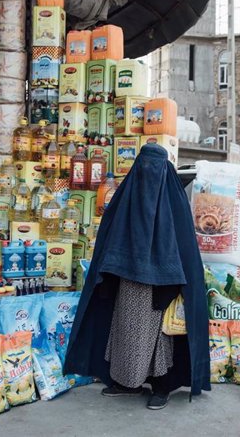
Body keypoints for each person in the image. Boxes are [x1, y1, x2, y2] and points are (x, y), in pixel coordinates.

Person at [64, 144, 210, 410]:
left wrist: (174, 279)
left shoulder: (174, 202)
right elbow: (110, 236)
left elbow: (185, 247)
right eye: (145, 167)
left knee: (159, 338)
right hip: (127, 280)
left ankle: (161, 387)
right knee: (124, 333)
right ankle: (127, 383)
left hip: (163, 284)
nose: (149, 174)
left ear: (165, 170)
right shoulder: (126, 197)